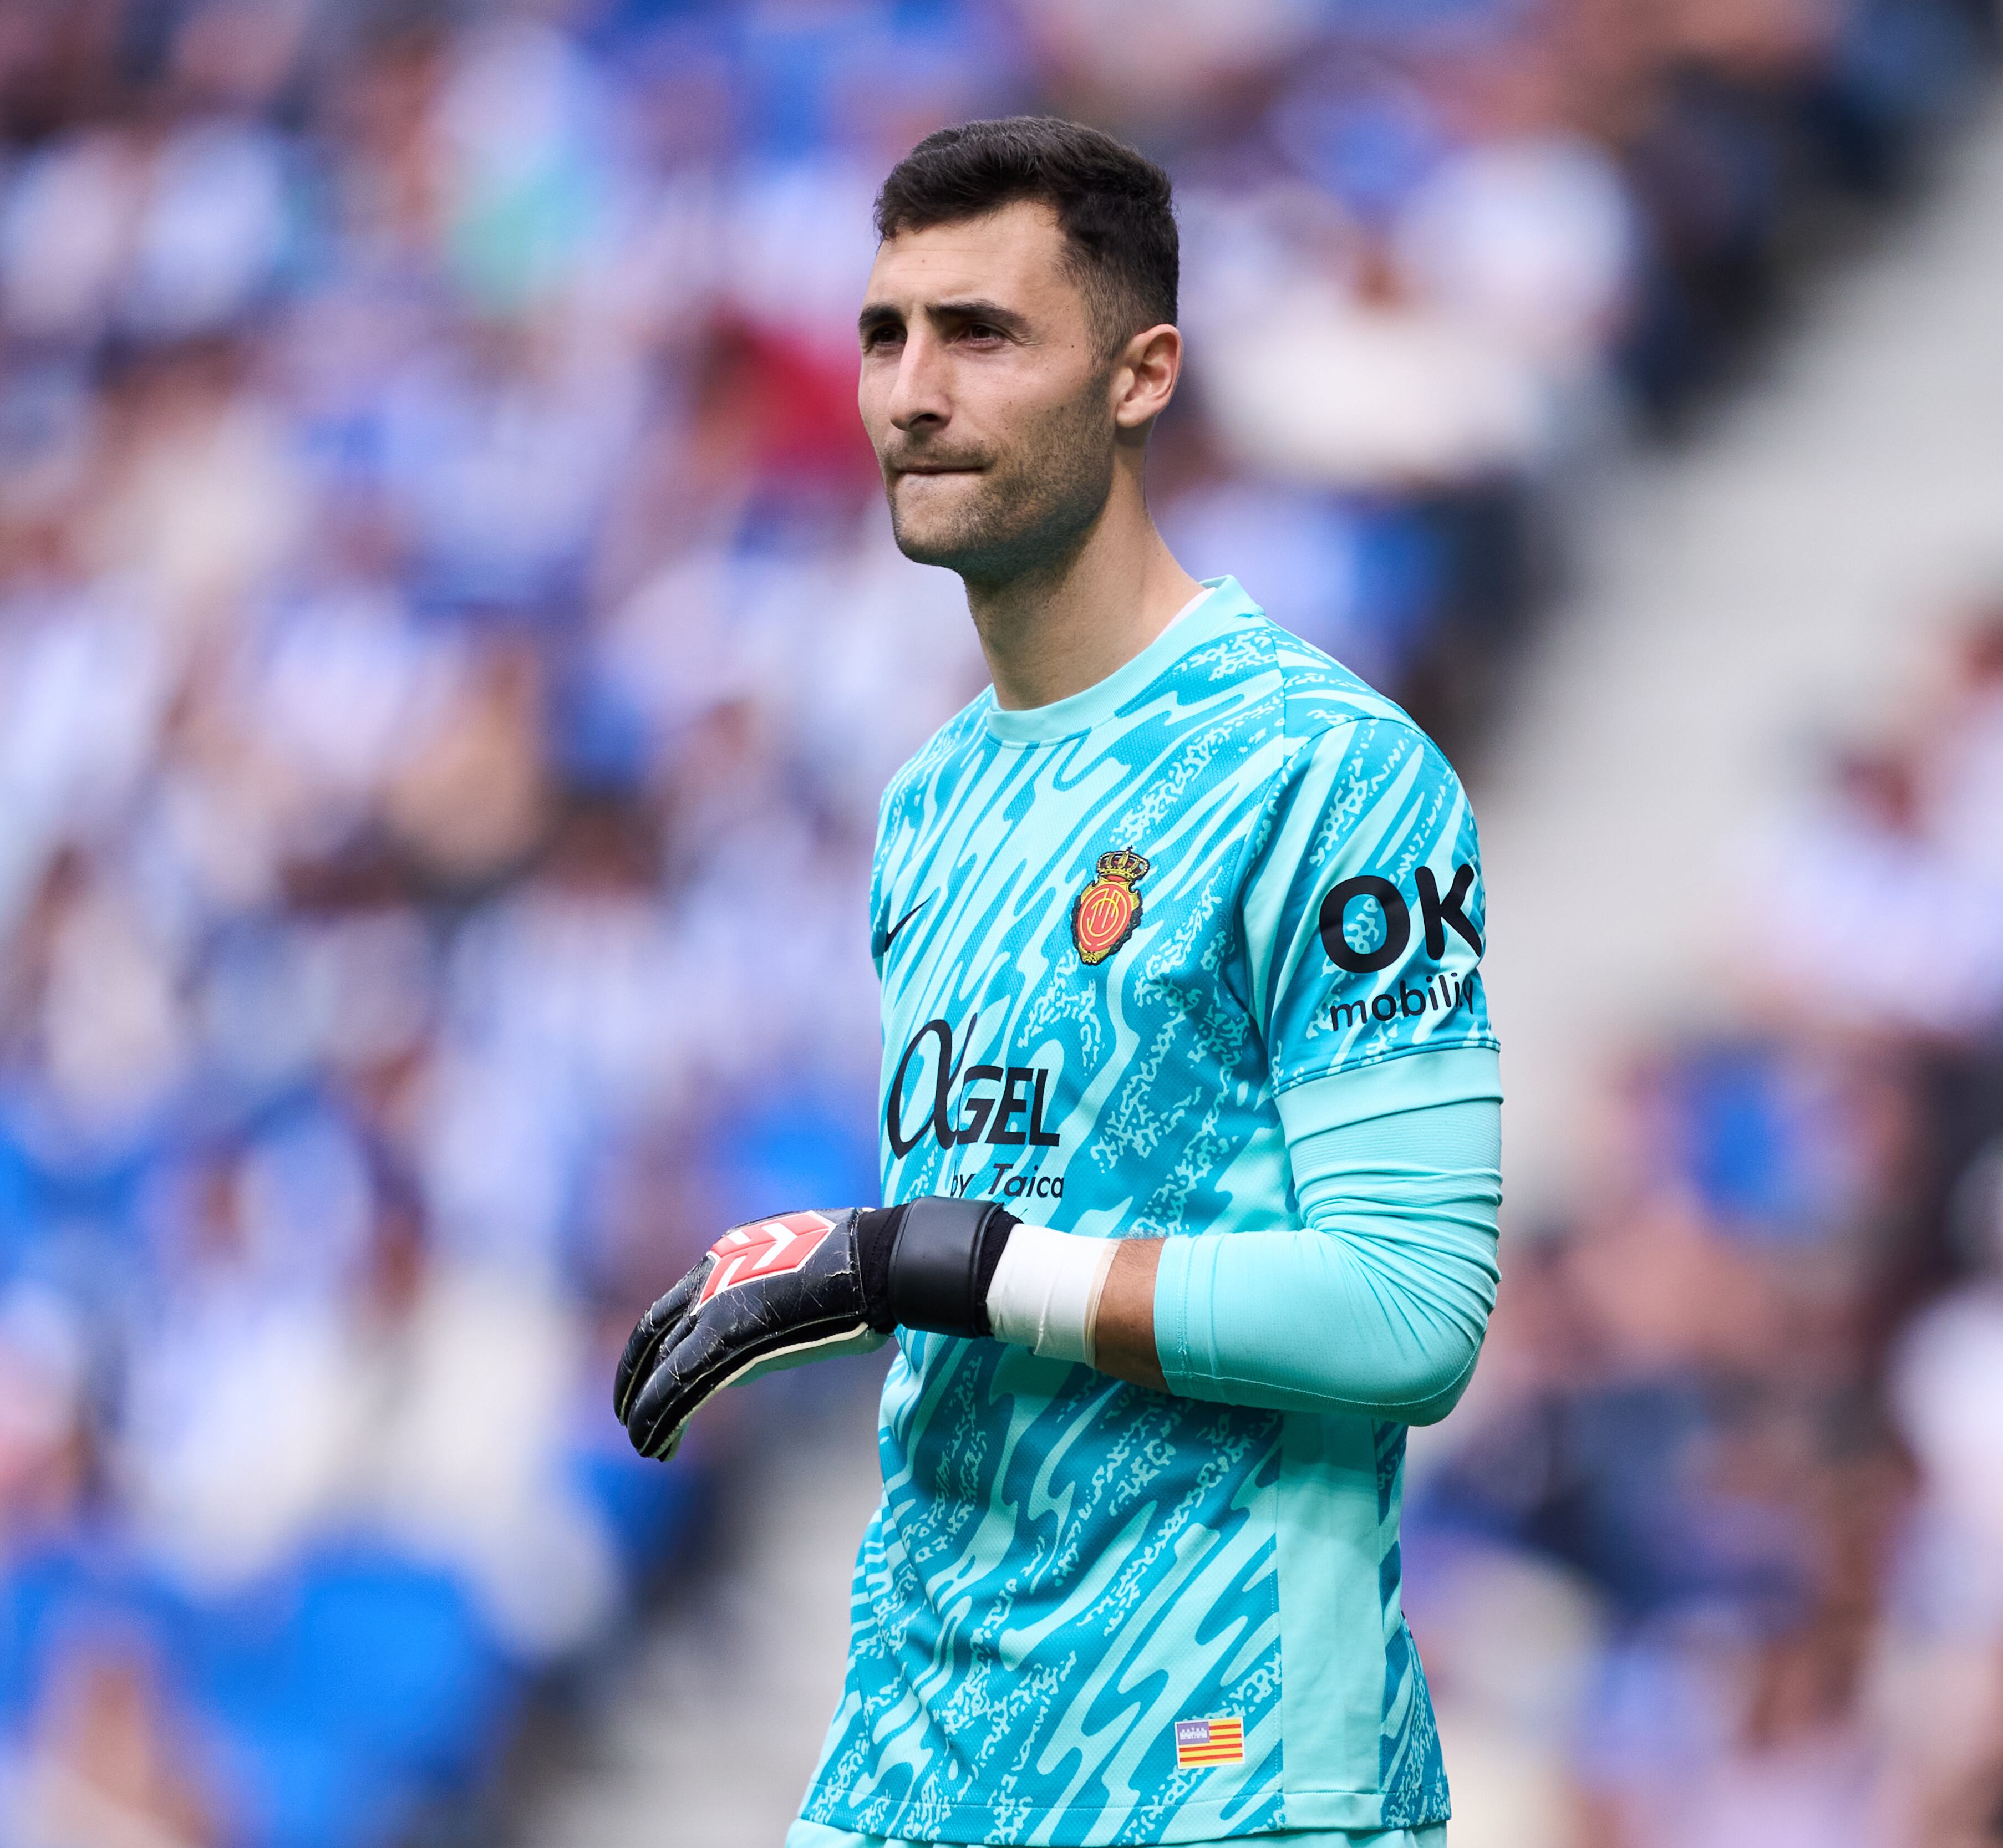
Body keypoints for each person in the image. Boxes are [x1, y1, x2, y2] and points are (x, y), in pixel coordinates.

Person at [613, 117, 1506, 1848]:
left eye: (984, 334)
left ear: (1140, 375)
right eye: (887, 334)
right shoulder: (933, 805)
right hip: (922, 1753)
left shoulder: (1324, 774)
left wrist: (952, 1265)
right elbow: (1003, 1257)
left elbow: (1412, 1311)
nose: (910, 393)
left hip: (1222, 1771)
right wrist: (865, 1279)